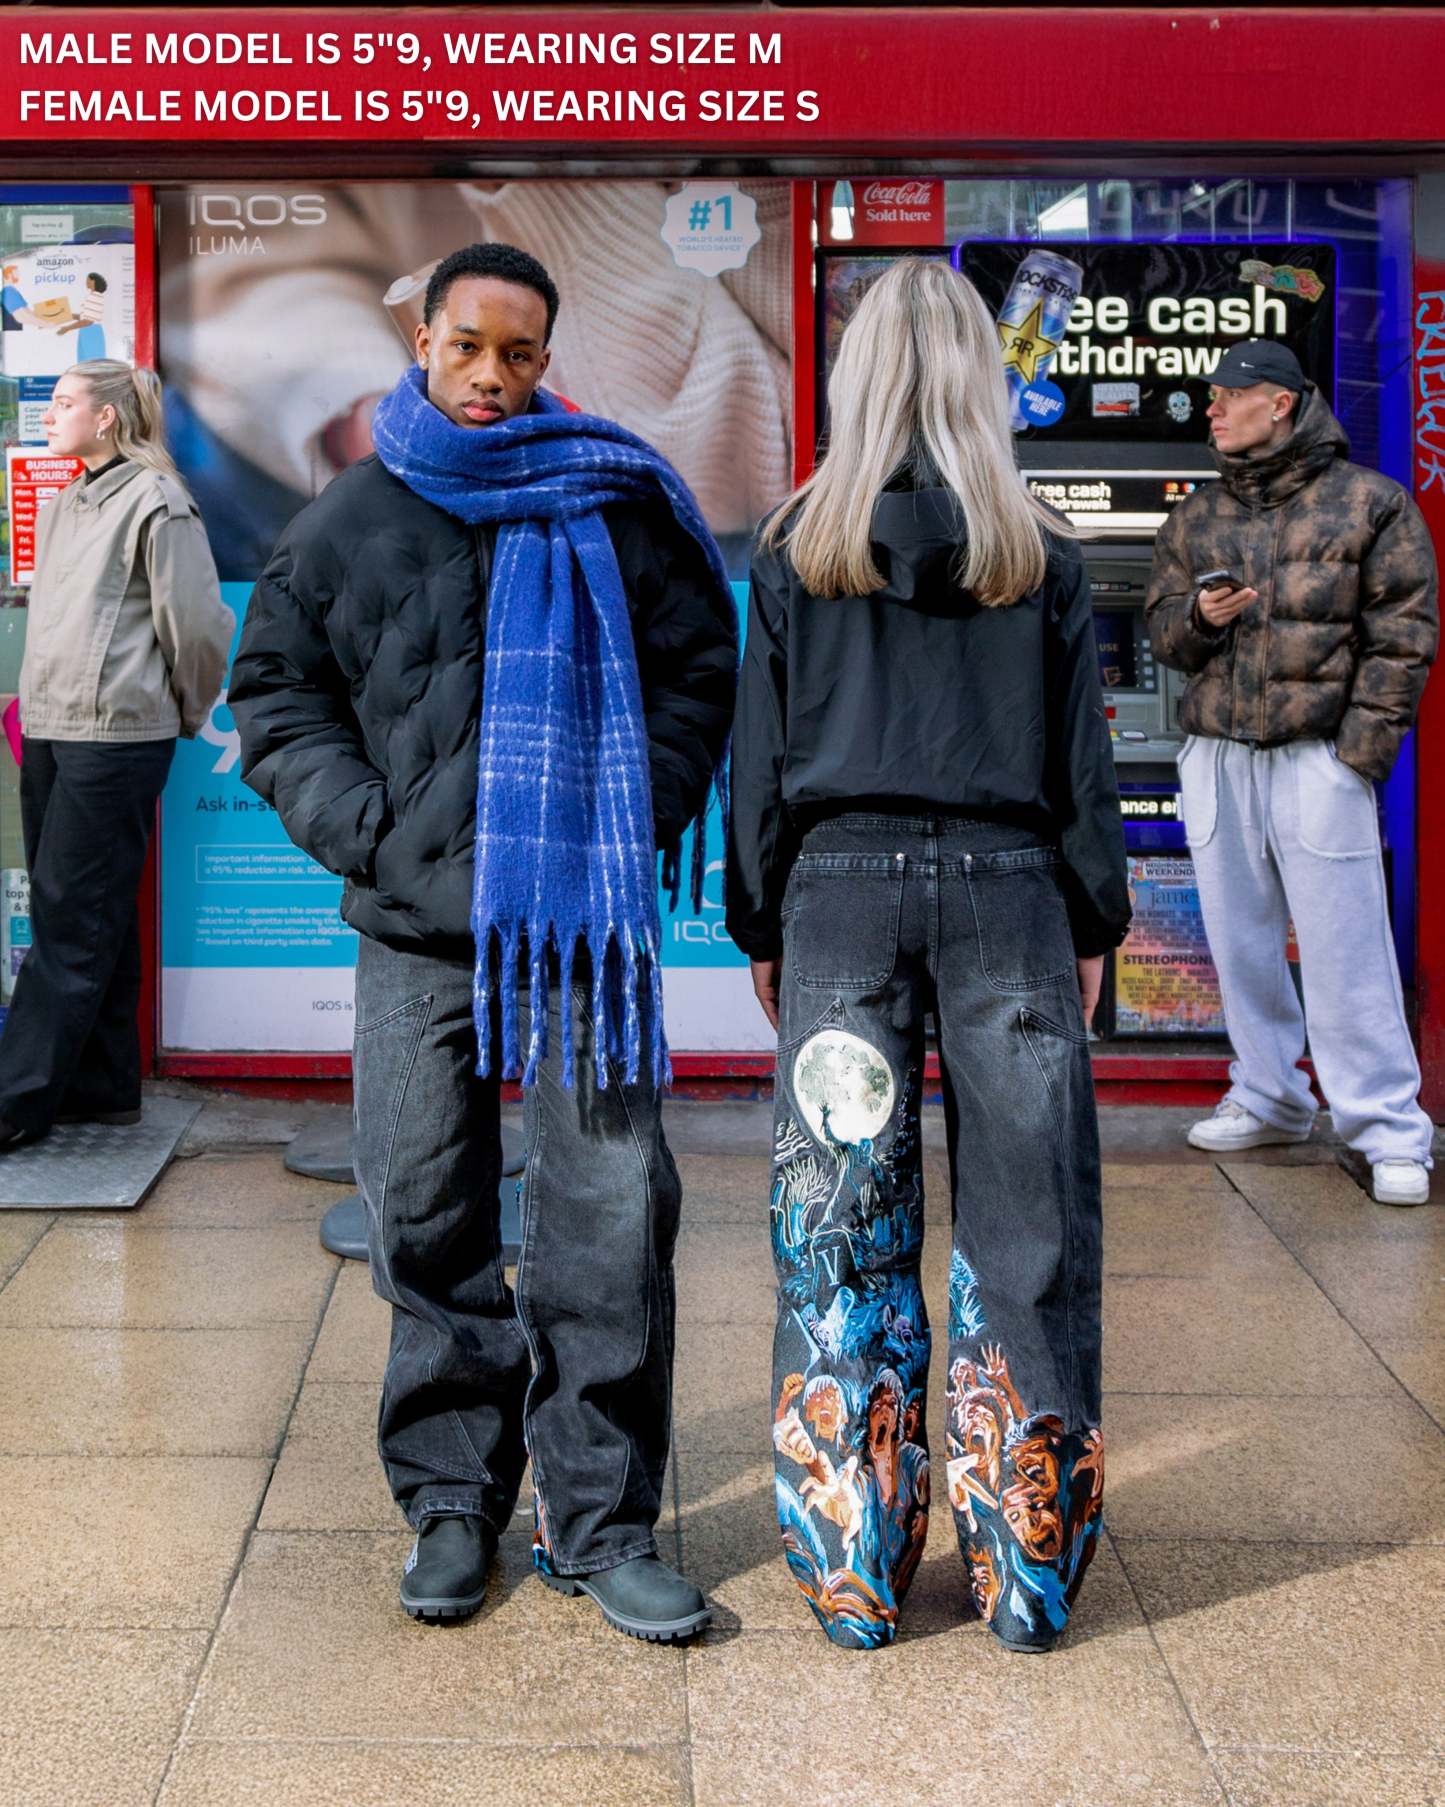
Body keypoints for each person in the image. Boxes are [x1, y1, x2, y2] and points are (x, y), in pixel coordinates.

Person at [228, 243, 736, 1643]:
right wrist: (371, 830)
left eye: (517, 353)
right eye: (467, 346)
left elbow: (701, 670)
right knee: (422, 1210)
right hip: (415, 928)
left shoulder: (611, 498)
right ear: (424, 343)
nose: (490, 376)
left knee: (609, 1218)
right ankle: (453, 1497)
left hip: (582, 926)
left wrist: (632, 812)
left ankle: (602, 1517)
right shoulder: (353, 513)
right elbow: (275, 691)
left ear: (545, 358)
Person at [726, 257, 1128, 1652]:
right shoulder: (1039, 549)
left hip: (839, 897)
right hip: (1013, 893)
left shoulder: (797, 545)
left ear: (856, 379)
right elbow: (1081, 765)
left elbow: (760, 759)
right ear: (979, 376)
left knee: (838, 1233)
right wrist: (1091, 919)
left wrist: (761, 919)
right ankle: (1026, 1579)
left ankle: (854, 1574)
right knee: (1030, 1228)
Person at [1145, 340, 1439, 1205]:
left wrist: (1356, 757)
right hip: (1216, 751)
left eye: (1224, 395)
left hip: (1319, 753)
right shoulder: (1196, 513)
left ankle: (1387, 1128)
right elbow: (1162, 633)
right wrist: (1200, 618)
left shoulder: (1371, 502)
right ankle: (1270, 1095)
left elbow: (1403, 638)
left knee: (1347, 948)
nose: (1209, 409)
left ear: (1277, 402)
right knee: (1238, 943)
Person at [0, 361, 230, 1148]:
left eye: (65, 402)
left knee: (69, 916)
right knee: (91, 912)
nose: (49, 413)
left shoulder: (158, 501)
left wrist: (184, 711)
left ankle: (15, 1099)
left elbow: (196, 627)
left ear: (106, 417)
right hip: (53, 729)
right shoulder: (67, 502)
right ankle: (100, 1087)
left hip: (114, 737)